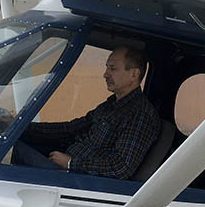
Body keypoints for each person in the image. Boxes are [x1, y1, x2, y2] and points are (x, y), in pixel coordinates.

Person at [12, 46, 160, 180]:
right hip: (67, 164)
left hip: (78, 179)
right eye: (106, 68)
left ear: (134, 74)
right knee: (11, 141)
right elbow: (71, 129)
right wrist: (20, 127)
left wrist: (71, 163)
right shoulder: (111, 105)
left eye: (113, 68)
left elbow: (120, 167)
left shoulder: (140, 115)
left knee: (12, 151)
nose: (105, 74)